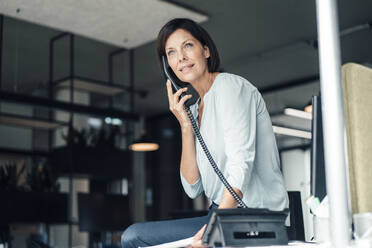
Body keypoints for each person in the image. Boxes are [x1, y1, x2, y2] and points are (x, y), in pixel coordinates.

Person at [121, 18, 288, 248]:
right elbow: (193, 187)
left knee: (133, 237)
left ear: (206, 50)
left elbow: (241, 167)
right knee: (134, 236)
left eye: (187, 46)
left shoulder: (229, 86)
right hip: (220, 213)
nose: (180, 58)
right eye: (171, 52)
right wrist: (186, 126)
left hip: (253, 216)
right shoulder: (195, 108)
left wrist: (211, 232)